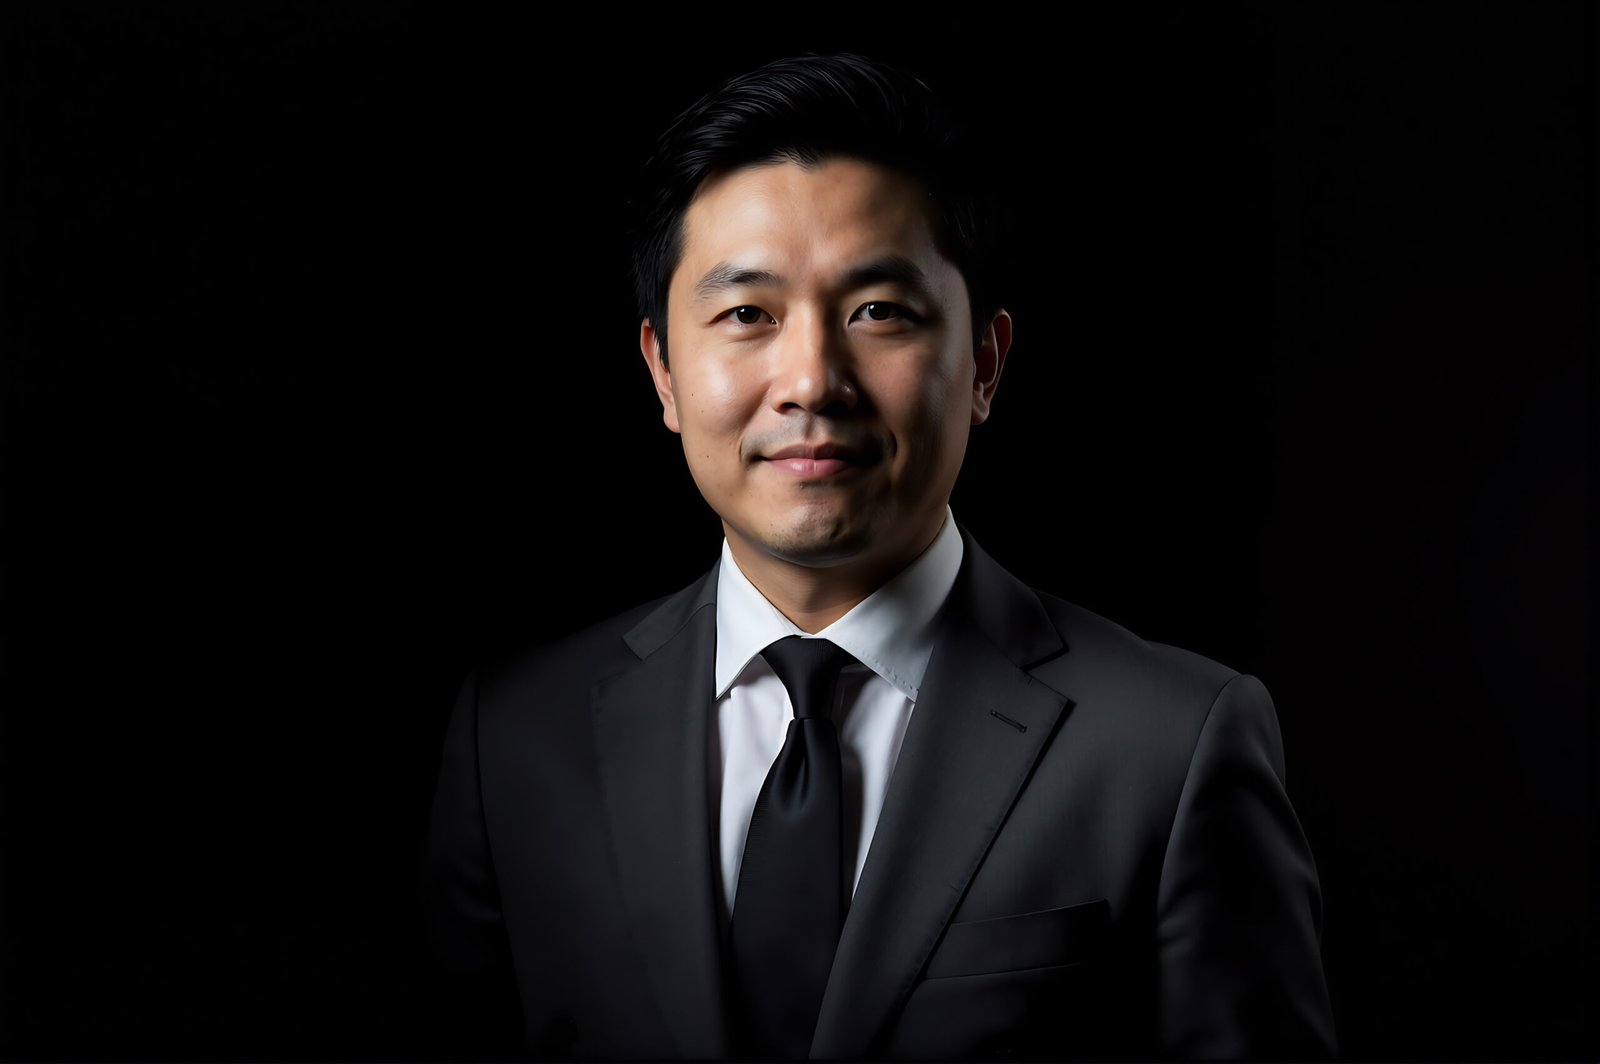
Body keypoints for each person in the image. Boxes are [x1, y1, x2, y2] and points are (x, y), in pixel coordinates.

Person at [423, 52, 1336, 1060]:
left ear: (983, 365)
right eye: (745, 315)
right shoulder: (510, 741)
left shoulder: (1171, 745)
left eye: (878, 312)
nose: (811, 378)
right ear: (664, 372)